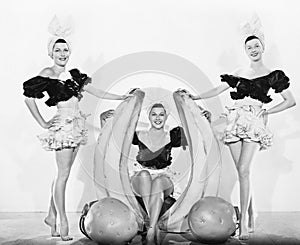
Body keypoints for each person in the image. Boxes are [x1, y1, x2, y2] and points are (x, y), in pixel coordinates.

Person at [180, 26, 296, 239]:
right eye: (249, 47)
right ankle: (251, 213)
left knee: (244, 170)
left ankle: (243, 220)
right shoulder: (240, 72)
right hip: (234, 119)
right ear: (245, 50)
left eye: (256, 46)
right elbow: (218, 89)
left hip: (253, 121)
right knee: (240, 171)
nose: (253, 49)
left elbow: (290, 101)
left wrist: (265, 112)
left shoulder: (273, 75)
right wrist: (195, 97)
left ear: (263, 47)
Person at [23, 27, 131, 241]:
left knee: (63, 174)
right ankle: (62, 220)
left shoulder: (74, 76)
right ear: (51, 53)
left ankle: (51, 215)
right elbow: (28, 98)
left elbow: (95, 91)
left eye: (65, 50)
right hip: (63, 126)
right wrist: (44, 123)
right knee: (62, 175)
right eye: (58, 50)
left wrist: (121, 97)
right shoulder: (47, 74)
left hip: (76, 125)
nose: (62, 54)